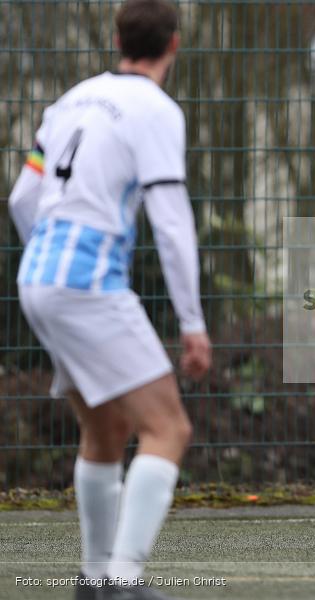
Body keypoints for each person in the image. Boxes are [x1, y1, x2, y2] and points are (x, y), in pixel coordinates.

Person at [8, 1, 210, 597]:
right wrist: (192, 324)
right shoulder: (156, 111)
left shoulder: (70, 101)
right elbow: (171, 224)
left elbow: (23, 198)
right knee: (169, 428)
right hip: (86, 280)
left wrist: (47, 254)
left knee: (104, 429)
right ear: (174, 44)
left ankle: (95, 580)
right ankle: (123, 581)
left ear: (117, 38)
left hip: (38, 274)